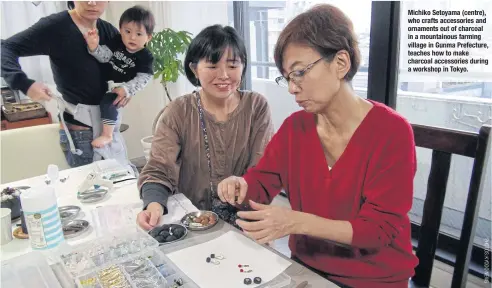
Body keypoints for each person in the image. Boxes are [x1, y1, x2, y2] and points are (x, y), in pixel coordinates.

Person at [217, 4, 418, 288]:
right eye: (287, 77)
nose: (291, 88)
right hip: (306, 270)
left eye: (299, 72)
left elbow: (377, 230)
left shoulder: (392, 132)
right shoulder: (295, 127)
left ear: (340, 63)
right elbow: (262, 182)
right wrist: (241, 185)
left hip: (375, 279)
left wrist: (294, 222)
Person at [137, 24, 275, 231]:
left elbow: (265, 168)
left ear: (243, 66)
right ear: (195, 69)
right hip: (193, 220)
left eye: (233, 65)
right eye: (212, 66)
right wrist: (154, 203)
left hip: (247, 220)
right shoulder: (178, 111)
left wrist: (243, 181)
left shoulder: (256, 107)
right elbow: (158, 167)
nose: (224, 75)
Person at [1, 1, 131, 167]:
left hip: (109, 130)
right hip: (81, 135)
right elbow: (5, 48)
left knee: (122, 187)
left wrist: (127, 90)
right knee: (92, 191)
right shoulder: (55, 27)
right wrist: (24, 83)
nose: (92, 2)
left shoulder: (108, 31)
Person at [84, 5, 154, 148]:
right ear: (120, 29)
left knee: (108, 104)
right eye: (127, 31)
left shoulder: (146, 56)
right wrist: (94, 47)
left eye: (139, 34)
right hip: (103, 83)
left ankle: (107, 135)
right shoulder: (116, 41)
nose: (132, 37)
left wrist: (126, 89)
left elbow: (144, 78)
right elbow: (104, 57)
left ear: (148, 37)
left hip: (119, 89)